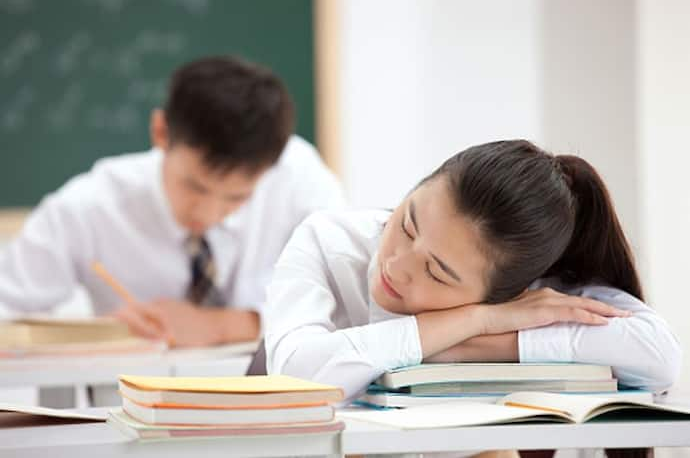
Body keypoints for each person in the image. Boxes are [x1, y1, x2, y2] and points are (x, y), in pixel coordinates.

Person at [265, 139, 681, 402]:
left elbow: (658, 356)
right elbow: (297, 375)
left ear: (510, 290)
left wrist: (465, 344)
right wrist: (481, 319)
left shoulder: (531, 285)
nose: (396, 264)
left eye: (437, 273)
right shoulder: (330, 240)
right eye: (408, 225)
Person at [0, 55, 344, 347]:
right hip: (121, 416)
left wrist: (225, 325)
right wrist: (100, 332)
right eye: (194, 187)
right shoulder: (90, 206)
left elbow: (352, 301)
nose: (207, 213)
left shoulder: (297, 177)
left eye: (237, 198)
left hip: (279, 410)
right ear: (161, 132)